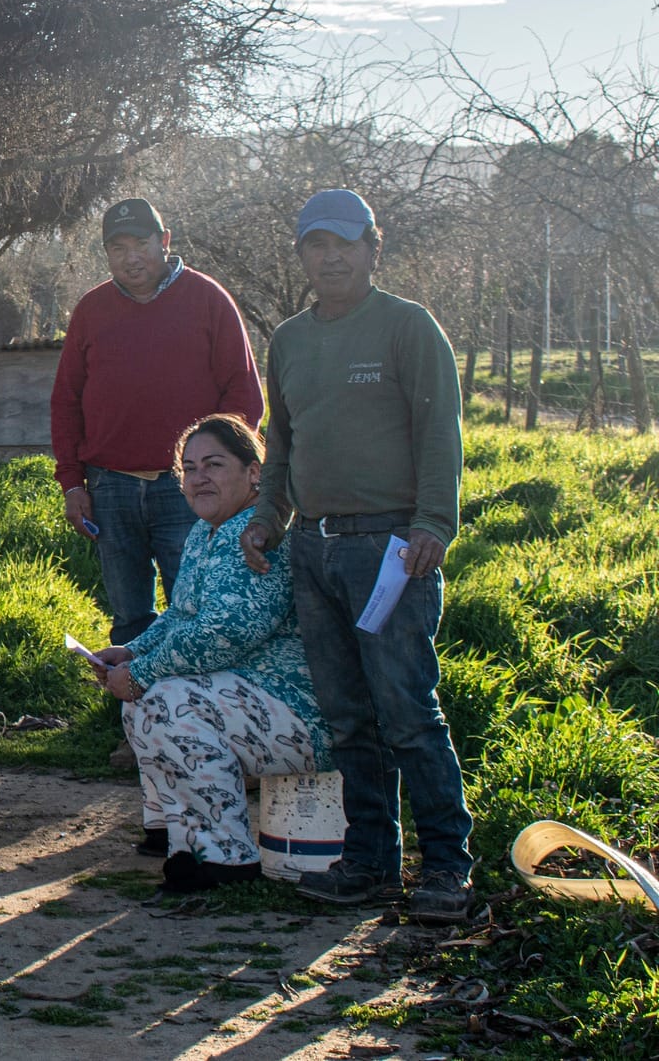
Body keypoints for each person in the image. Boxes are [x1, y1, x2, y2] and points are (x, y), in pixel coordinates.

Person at [238, 189, 474, 925]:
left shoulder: (408, 326)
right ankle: (369, 859)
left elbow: (441, 434)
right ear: (302, 254)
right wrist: (268, 517)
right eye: (316, 244)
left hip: (393, 546)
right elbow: (281, 444)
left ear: (374, 246)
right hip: (314, 546)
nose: (330, 256)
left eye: (345, 242)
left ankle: (446, 867)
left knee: (406, 709)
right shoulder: (290, 339)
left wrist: (435, 520)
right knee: (347, 718)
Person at [93, 415, 331, 893]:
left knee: (167, 701)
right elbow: (183, 617)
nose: (198, 477)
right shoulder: (206, 534)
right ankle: (177, 838)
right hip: (245, 700)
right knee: (145, 698)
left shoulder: (257, 536)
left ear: (254, 473)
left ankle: (226, 860)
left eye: (214, 464)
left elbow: (225, 632)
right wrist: (132, 652)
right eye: (189, 468)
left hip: (298, 710)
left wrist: (145, 671)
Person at [51, 198, 264, 648]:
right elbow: (66, 401)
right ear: (107, 254)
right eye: (118, 247)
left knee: (198, 607)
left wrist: (214, 474)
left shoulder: (208, 298)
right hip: (110, 485)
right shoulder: (92, 309)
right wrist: (73, 483)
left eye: (141, 244)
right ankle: (131, 707)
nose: (131, 258)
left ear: (164, 242)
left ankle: (195, 710)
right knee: (129, 614)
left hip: (188, 486)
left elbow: (243, 396)